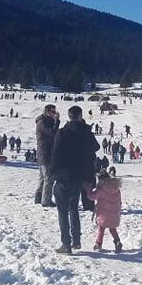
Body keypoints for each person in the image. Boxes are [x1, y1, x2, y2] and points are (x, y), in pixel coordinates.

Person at [50, 106, 99, 255]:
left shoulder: (63, 132)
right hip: (80, 176)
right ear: (80, 116)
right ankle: (76, 240)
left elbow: (55, 154)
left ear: (69, 116)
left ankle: (66, 244)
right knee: (73, 207)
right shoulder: (86, 132)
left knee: (62, 211)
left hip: (64, 176)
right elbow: (96, 147)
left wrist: (53, 175)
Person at [87, 169, 123, 253]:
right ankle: (117, 241)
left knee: (101, 229)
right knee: (112, 229)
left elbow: (92, 197)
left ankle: (98, 244)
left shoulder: (101, 190)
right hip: (114, 213)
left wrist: (88, 190)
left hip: (103, 214)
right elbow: (119, 200)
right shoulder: (117, 188)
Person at [34, 105, 60, 206]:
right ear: (46, 111)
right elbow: (52, 133)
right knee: (48, 178)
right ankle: (46, 201)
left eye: (54, 111)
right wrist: (57, 121)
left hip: (45, 153)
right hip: (45, 153)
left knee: (42, 177)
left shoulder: (46, 121)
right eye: (52, 111)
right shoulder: (42, 122)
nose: (54, 113)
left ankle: (38, 198)